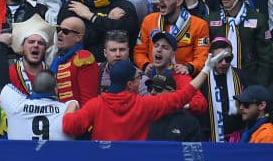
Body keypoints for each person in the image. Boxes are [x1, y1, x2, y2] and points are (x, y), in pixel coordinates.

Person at [62, 52, 225, 140]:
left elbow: (70, 126)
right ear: (129, 84)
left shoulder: (94, 105)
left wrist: (71, 105)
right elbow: (183, 95)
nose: (140, 80)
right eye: (137, 78)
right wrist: (205, 70)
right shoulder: (145, 105)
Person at [1, 70, 76, 140]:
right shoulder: (66, 110)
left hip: (20, 154)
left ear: (32, 88)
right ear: (56, 90)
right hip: (56, 153)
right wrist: (74, 102)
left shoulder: (16, 105)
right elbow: (73, 109)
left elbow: (3, 85)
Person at [145, 72, 203, 141]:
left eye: (158, 89)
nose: (152, 92)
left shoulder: (188, 123)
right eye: (150, 88)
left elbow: (193, 151)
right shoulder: (142, 117)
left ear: (172, 92)